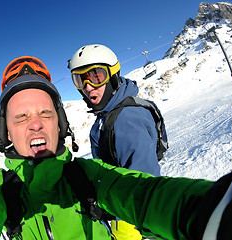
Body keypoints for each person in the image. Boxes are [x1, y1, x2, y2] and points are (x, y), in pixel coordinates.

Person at [0, 57, 232, 240]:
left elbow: (144, 194)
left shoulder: (89, 176)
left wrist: (224, 210)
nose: (35, 124)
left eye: (45, 113)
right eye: (20, 117)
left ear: (60, 124)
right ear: (6, 132)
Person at [68, 44, 165, 239]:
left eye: (96, 76)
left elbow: (142, 183)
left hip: (132, 222)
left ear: (113, 75)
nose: (88, 87)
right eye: (80, 79)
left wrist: (125, 227)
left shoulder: (127, 118)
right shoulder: (109, 113)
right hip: (119, 208)